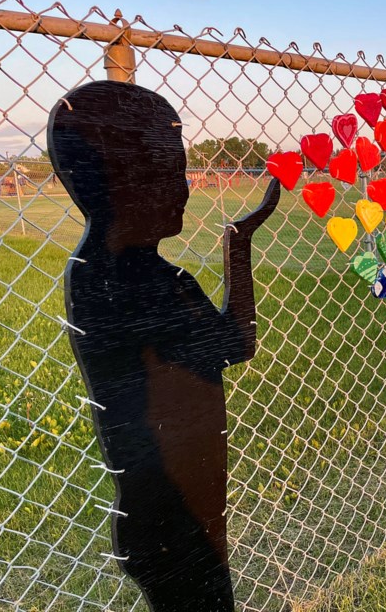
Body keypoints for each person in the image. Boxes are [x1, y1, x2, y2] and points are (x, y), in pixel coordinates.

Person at [47, 80, 280, 612]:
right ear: (119, 185)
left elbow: (230, 343)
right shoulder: (140, 281)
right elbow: (239, 341)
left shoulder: (108, 273)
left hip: (184, 503)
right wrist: (237, 247)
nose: (184, 189)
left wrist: (238, 243)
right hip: (172, 513)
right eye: (166, 175)